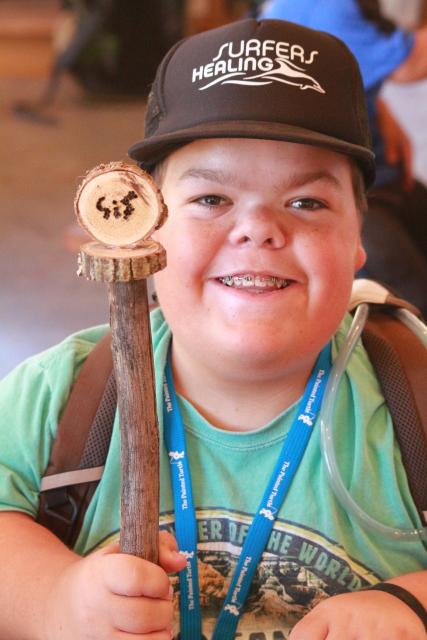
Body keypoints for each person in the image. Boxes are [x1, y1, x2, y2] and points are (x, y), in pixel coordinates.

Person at [0, 18, 426, 640]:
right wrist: (54, 599)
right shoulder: (58, 400)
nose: (257, 229)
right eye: (211, 200)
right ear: (147, 229)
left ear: (359, 242)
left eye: (306, 202)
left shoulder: (414, 397)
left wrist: (412, 604)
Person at [259, 0, 427, 317]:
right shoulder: (327, 5)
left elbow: (344, 72)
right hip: (340, 190)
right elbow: (411, 65)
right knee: (413, 298)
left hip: (378, 173)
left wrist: (376, 109)